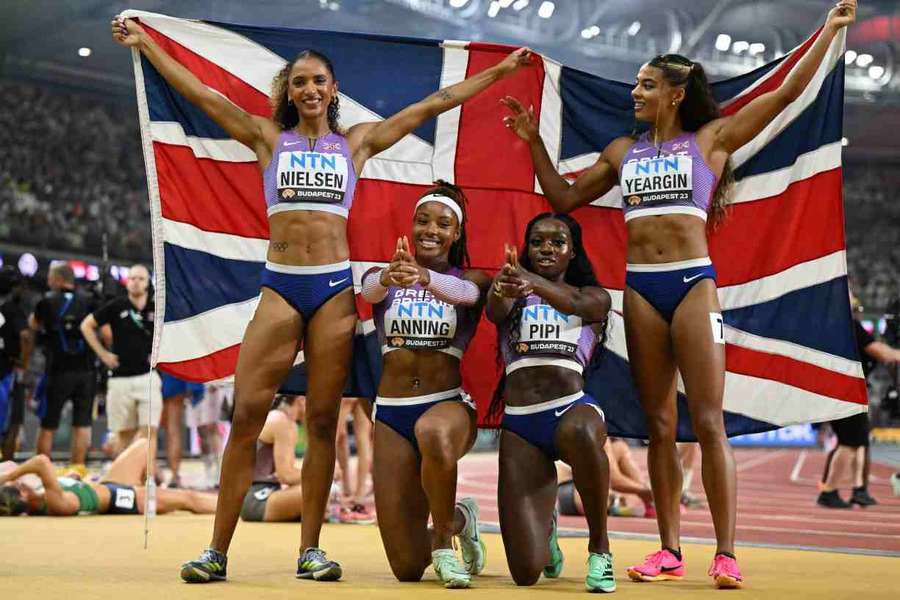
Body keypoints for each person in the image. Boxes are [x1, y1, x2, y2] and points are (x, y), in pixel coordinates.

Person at [112, 15, 534, 583]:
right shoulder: (268, 138)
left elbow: (434, 104)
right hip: (281, 285)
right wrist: (150, 47)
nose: (309, 90)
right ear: (289, 92)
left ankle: (310, 550)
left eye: (318, 81)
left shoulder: (355, 144)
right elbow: (202, 94)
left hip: (333, 290)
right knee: (246, 419)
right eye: (299, 82)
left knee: (323, 423)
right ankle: (216, 550)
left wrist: (499, 69)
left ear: (333, 90)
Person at [501, 1, 857, 588]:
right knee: (660, 425)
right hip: (641, 291)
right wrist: (531, 140)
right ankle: (668, 549)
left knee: (709, 421)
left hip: (696, 286)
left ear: (673, 92)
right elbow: (563, 199)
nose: (635, 93)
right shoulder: (623, 152)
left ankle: (725, 553)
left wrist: (830, 30)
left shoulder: (713, 139)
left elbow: (790, 92)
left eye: (645, 85)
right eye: (637, 84)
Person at [360, 182, 489, 588]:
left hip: (448, 406)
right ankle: (461, 517)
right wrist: (387, 274)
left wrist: (425, 277)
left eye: (442, 224)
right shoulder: (389, 275)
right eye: (422, 221)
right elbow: (368, 289)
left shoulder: (471, 279)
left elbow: (467, 295)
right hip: (393, 413)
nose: (430, 230)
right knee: (406, 568)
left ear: (456, 234)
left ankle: (443, 542)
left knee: (432, 431)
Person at [487, 213, 614, 592]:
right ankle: (548, 523)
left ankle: (600, 548)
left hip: (571, 408)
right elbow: (495, 312)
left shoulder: (594, 295)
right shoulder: (512, 288)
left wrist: (533, 281)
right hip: (521, 422)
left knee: (582, 432)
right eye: (537, 242)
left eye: (557, 242)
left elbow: (575, 302)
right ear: (526, 248)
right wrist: (505, 287)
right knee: (526, 573)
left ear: (572, 252)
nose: (546, 248)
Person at [818, 294, 900, 508]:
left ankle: (846, 490)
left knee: (854, 442)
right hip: (847, 391)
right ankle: (829, 491)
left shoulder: (832, 325)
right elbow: (881, 353)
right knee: (850, 443)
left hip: (837, 389)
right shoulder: (849, 325)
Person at [0, 438, 217, 517]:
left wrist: (74, 479)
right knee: (188, 498)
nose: (18, 481)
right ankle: (234, 506)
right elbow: (40, 462)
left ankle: (152, 485)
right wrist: (9, 475)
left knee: (145, 443)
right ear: (23, 494)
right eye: (17, 484)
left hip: (108, 484)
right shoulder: (54, 503)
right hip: (123, 498)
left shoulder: (44, 495)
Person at [80, 264, 160, 460]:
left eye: (140, 278)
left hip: (147, 377)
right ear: (127, 283)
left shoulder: (157, 306)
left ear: (147, 282)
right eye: (132, 278)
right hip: (120, 378)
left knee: (149, 431)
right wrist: (103, 354)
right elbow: (86, 325)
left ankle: (145, 479)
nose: (135, 282)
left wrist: (161, 355)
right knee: (123, 435)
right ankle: (123, 478)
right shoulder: (117, 306)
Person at [29, 264, 95, 468]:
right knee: (82, 424)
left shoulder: (46, 302)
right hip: (86, 372)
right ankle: (77, 471)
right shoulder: (88, 301)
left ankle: (42, 471)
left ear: (58, 279)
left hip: (58, 371)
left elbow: (33, 326)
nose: (48, 281)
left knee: (48, 424)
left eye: (50, 277)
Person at [239, 394, 305, 523]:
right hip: (257, 497)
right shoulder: (281, 421)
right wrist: (323, 476)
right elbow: (286, 476)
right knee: (321, 490)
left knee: (321, 488)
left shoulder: (282, 419)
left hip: (260, 493)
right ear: (301, 400)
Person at [558, 438, 655, 518]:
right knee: (602, 492)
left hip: (571, 490)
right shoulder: (602, 435)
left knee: (621, 448)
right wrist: (647, 491)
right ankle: (615, 501)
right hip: (570, 494)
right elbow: (615, 481)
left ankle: (649, 504)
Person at [0, 266, 32, 461]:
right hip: (7, 372)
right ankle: (6, 466)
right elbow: (26, 337)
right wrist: (24, 362)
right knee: (13, 421)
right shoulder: (13, 309)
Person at [159, 373, 205, 488]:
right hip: (170, 373)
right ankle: (174, 474)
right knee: (172, 429)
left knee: (163, 429)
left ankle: (158, 473)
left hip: (154, 373)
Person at [333, 396, 374, 524]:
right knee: (364, 439)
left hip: (345, 388)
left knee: (337, 435)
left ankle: (345, 490)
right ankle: (359, 496)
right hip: (362, 388)